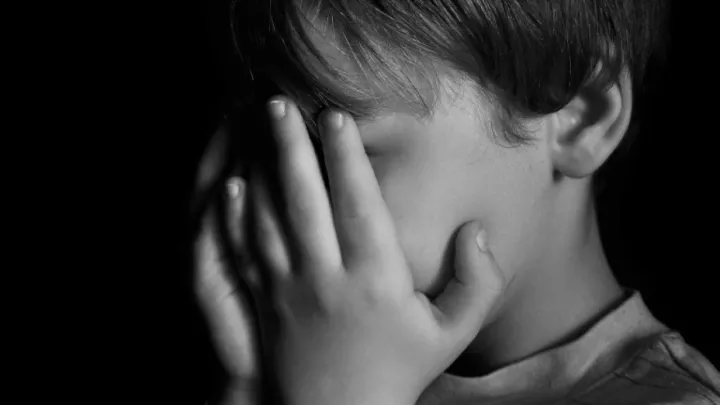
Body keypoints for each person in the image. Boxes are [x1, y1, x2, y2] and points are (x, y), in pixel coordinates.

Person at [193, 0, 720, 404]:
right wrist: (251, 389)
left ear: (581, 114)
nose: (291, 202)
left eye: (341, 154)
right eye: (273, 146)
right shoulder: (302, 358)